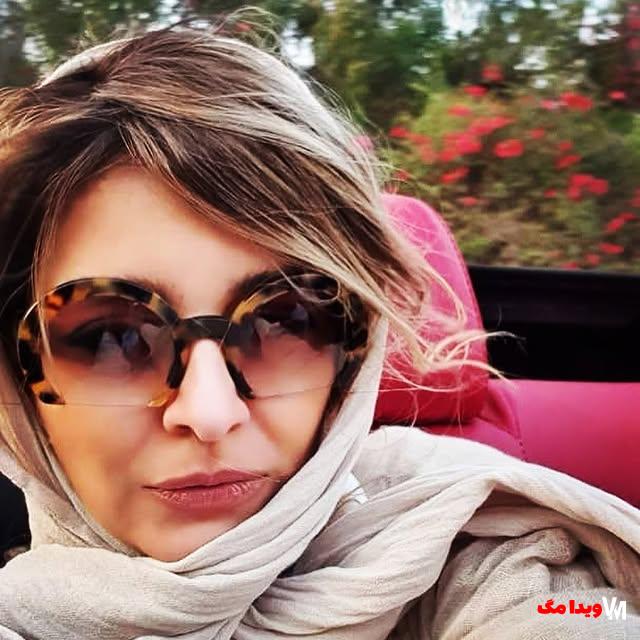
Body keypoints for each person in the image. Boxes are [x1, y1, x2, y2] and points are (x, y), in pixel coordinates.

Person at [0, 15, 638, 640]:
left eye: (286, 321)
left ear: (352, 352)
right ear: (15, 371)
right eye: (111, 338)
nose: (211, 413)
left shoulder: (484, 542)